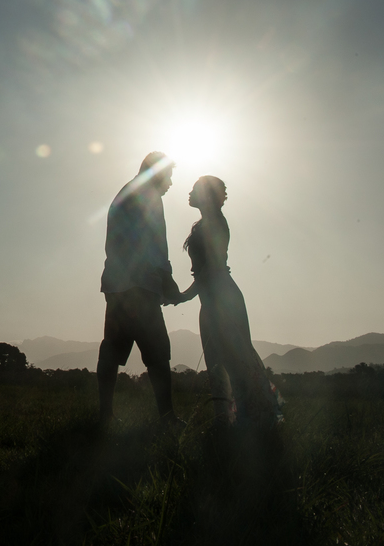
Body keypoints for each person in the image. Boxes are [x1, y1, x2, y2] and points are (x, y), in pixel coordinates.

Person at [175, 176, 282, 428]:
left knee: (236, 363)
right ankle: (227, 420)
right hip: (211, 298)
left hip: (222, 298)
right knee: (217, 362)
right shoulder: (204, 224)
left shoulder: (215, 223)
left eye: (194, 189)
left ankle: (251, 420)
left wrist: (183, 296)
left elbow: (212, 268)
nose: (189, 193)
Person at [97, 151, 182, 427]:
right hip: (140, 286)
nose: (170, 183)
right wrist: (167, 279)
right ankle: (167, 418)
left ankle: (105, 415)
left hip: (117, 286)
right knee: (158, 354)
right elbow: (153, 242)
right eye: (168, 176)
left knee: (112, 350)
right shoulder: (149, 196)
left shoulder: (126, 193)